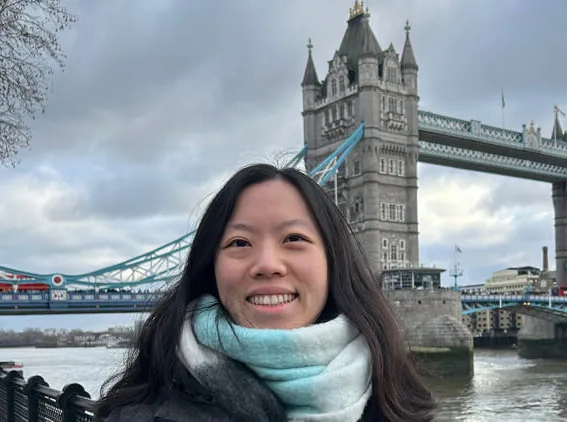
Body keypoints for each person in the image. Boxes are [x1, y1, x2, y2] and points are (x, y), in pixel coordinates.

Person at [96, 164, 436, 421]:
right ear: (210, 267)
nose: (268, 264)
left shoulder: (398, 403)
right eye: (239, 243)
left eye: (294, 239)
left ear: (334, 261)